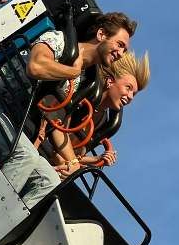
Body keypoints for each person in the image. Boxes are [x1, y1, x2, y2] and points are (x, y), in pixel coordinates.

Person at [1, 11, 138, 205]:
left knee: (48, 181)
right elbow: (35, 66)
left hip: (16, 120)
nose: (121, 53)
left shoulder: (83, 81)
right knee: (26, 156)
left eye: (124, 49)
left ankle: (4, 228)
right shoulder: (61, 42)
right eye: (120, 44)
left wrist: (74, 163)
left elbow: (57, 122)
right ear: (101, 35)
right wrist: (72, 70)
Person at [44, 50, 150, 178]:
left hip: (57, 167)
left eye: (134, 94)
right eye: (128, 88)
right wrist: (70, 162)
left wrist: (96, 159)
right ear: (110, 81)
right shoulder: (83, 88)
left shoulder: (103, 120)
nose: (131, 97)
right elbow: (53, 125)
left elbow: (76, 155)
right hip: (41, 145)